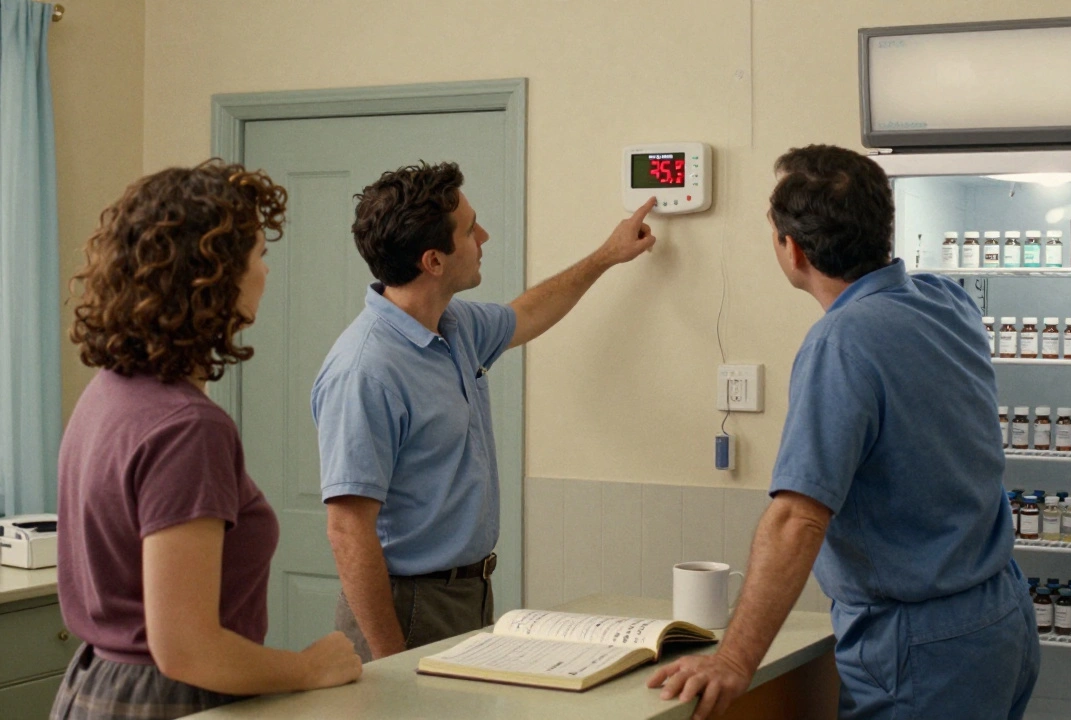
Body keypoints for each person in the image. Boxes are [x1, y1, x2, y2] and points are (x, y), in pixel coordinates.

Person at [647, 145, 1039, 719]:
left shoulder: (843, 341)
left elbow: (797, 517)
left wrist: (733, 660)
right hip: (998, 619)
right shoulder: (945, 302)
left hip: (920, 647)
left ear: (794, 249)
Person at [53, 161, 362, 720]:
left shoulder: (108, 392)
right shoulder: (187, 428)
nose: (266, 272)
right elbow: (188, 649)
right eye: (257, 256)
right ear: (212, 277)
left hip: (95, 686)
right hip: (167, 700)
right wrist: (311, 666)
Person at [313, 161, 656, 662]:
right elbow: (347, 529)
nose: (485, 236)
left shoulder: (456, 327)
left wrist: (607, 255)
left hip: (468, 597)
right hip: (402, 607)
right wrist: (391, 663)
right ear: (433, 260)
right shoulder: (365, 370)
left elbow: (528, 312)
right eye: (471, 229)